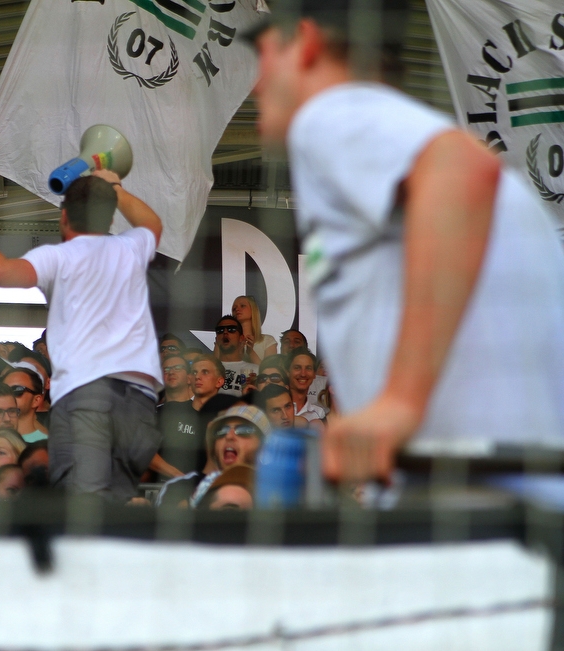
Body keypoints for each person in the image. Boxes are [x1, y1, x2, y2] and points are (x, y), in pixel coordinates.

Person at [246, 0, 564, 483]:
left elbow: (462, 170)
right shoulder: (392, 130)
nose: (256, 82)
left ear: (306, 43)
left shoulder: (333, 112)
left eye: (263, 55)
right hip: (511, 491)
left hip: (477, 501)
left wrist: (399, 402)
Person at [0, 170, 164, 501]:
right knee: (113, 503)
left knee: (82, 507)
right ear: (110, 217)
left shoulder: (58, 256)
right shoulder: (129, 248)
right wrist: (115, 188)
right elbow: (153, 225)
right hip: (139, 404)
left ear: (64, 216)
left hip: (88, 397)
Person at [151, 355, 200, 479]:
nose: (171, 372)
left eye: (178, 367)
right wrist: (183, 478)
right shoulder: (150, 413)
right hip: (155, 488)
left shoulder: (202, 412)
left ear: (190, 378)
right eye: (166, 370)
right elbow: (142, 452)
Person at [212, 315, 258, 393]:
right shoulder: (207, 370)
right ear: (216, 339)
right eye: (220, 330)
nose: (225, 332)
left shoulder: (255, 370)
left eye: (231, 329)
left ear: (241, 338)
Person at [2, 368, 47, 443]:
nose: (8, 396)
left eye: (17, 390)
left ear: (36, 400)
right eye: (4, 390)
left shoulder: (50, 448)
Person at [231, 295, 277, 365]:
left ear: (253, 310)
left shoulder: (268, 341)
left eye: (242, 306)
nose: (237, 309)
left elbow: (269, 372)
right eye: (234, 308)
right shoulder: (228, 342)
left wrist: (251, 352)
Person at [286, 348, 326, 427]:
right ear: (287, 372)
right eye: (297, 368)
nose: (303, 374)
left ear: (314, 374)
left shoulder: (319, 413)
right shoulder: (277, 408)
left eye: (308, 368)